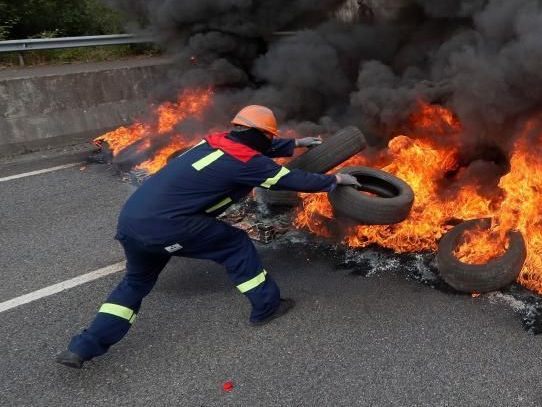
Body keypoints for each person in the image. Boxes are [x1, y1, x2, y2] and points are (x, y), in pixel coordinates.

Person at [56, 106, 362, 369]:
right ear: (260, 135)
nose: (268, 141)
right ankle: (266, 307)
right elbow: (291, 179)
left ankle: (82, 348)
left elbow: (252, 148)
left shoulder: (211, 143)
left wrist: (295, 143)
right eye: (268, 137)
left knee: (135, 284)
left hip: (132, 221)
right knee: (236, 245)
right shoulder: (249, 162)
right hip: (169, 227)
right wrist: (336, 179)